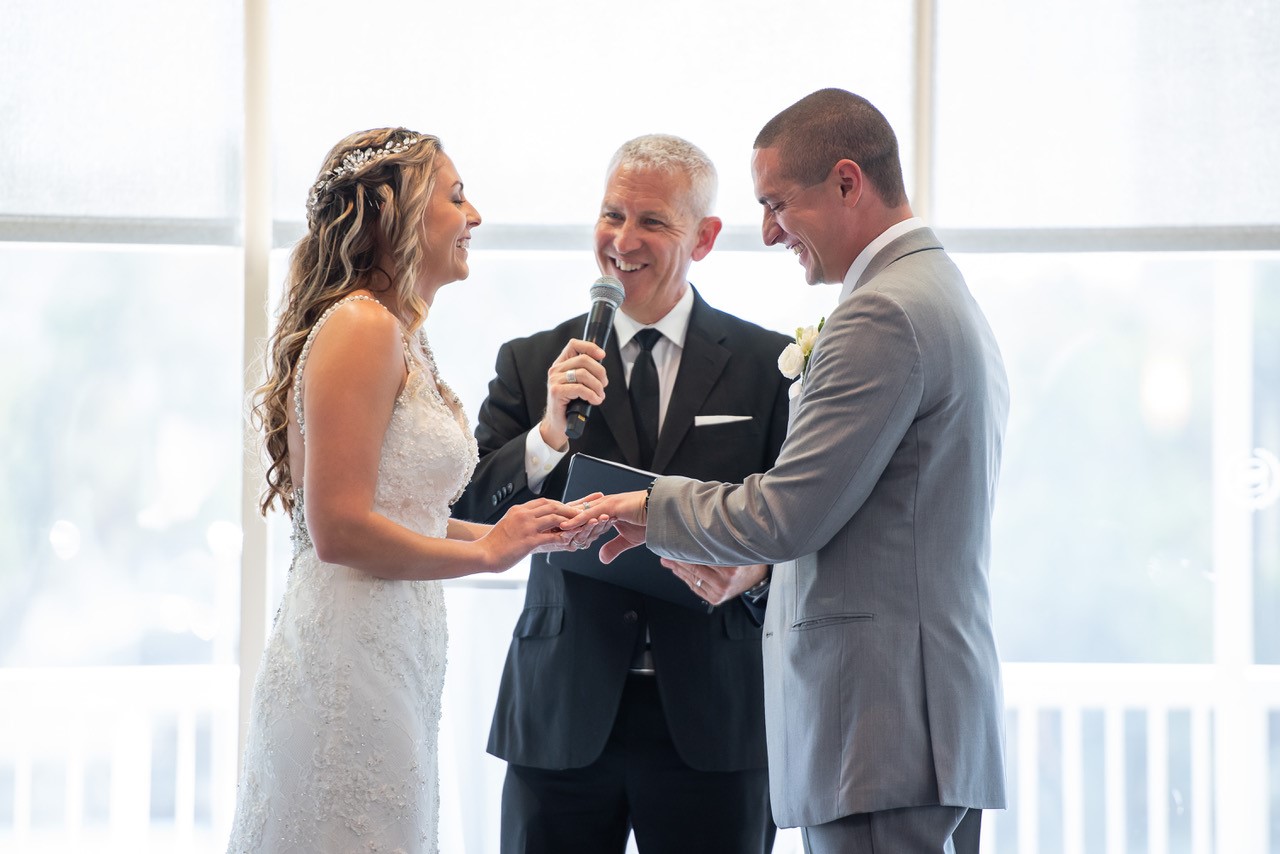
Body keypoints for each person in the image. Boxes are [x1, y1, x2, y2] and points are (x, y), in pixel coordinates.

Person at [565, 89, 1010, 854]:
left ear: (846, 182)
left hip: (882, 727)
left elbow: (786, 513)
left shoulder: (883, 313)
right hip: (917, 724)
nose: (768, 232)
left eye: (777, 204)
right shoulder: (934, 290)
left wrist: (648, 505)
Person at [225, 127, 607, 854]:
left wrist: (523, 527)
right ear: (393, 213)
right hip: (348, 655)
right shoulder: (362, 327)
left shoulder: (402, 333)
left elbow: (407, 512)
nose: (476, 217)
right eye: (456, 197)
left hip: (395, 645)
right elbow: (337, 529)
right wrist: (487, 553)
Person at [453, 134, 790, 853]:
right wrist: (546, 434)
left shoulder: (768, 368)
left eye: (652, 222)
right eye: (611, 215)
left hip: (716, 714)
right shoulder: (532, 361)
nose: (622, 240)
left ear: (703, 238)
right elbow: (466, 512)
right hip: (562, 710)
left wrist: (756, 573)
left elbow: (802, 524)